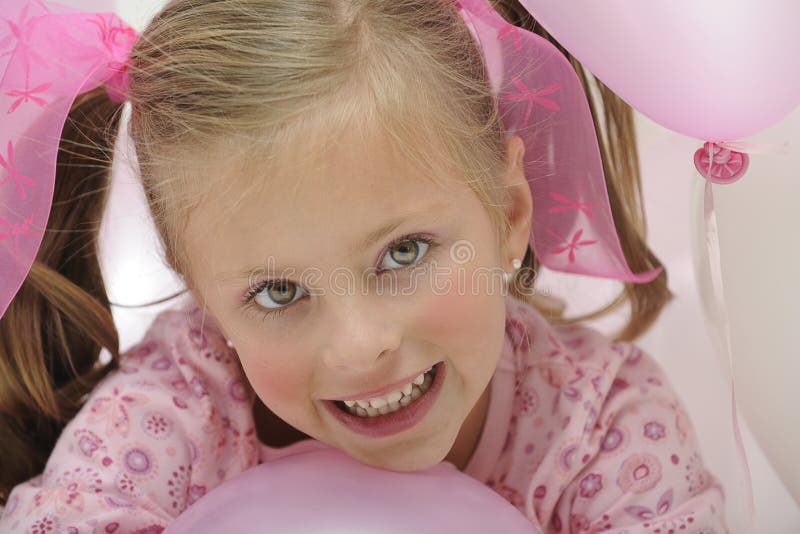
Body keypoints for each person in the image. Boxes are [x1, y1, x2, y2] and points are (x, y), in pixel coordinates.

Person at [0, 0, 728, 532]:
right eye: (279, 291)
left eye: (402, 253)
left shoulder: (602, 427)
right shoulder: (170, 419)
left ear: (509, 212)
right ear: (203, 297)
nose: (360, 345)